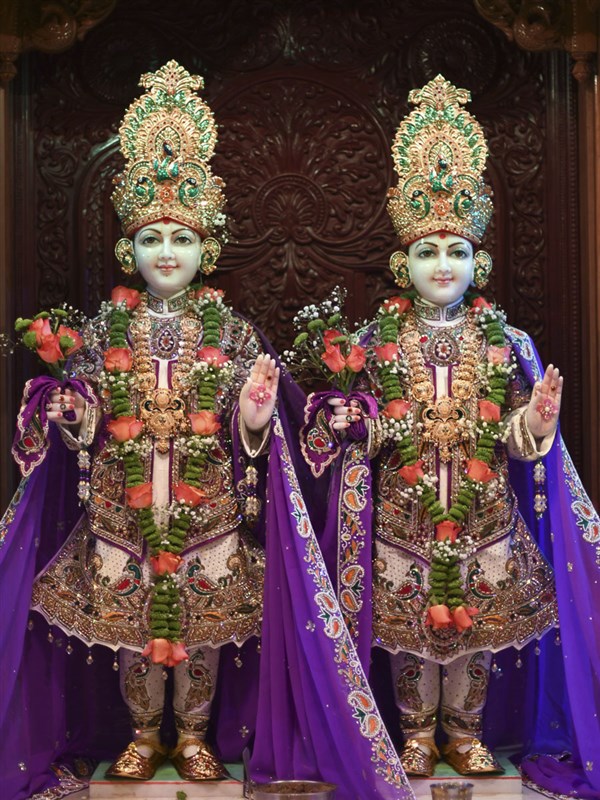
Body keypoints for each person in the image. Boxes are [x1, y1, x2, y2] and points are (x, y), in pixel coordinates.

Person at [299, 74, 600, 789]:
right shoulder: (373, 344)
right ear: (403, 263)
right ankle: (413, 734)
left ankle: (464, 734)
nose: (443, 266)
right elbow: (364, 434)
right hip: (403, 519)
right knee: (411, 631)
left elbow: (520, 441)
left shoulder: (508, 344)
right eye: (428, 252)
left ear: (478, 263)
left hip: (484, 515)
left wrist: (537, 419)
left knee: (476, 633)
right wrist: (352, 423)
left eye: (456, 252)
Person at [8, 61, 280, 783]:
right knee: (134, 627)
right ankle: (139, 734)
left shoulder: (235, 333)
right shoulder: (103, 330)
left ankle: (192, 736)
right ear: (129, 249)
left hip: (207, 508)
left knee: (203, 627)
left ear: (205, 250)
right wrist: (73, 413)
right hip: (124, 510)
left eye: (181, 238)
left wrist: (254, 417)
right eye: (152, 237)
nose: (166, 252)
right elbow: (87, 418)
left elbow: (256, 431)